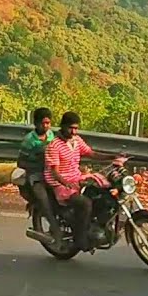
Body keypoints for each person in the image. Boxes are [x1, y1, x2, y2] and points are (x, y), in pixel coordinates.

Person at [44, 111, 96, 251]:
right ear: (63, 126)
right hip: (60, 184)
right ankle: (80, 238)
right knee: (85, 203)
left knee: (99, 191)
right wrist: (66, 183)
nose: (73, 131)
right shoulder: (54, 145)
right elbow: (54, 172)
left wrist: (112, 157)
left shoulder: (77, 140)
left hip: (76, 178)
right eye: (70, 128)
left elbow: (91, 153)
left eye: (76, 128)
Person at [17, 107, 60, 238]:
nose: (46, 126)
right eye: (43, 123)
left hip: (51, 172)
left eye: (48, 123)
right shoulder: (29, 140)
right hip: (35, 175)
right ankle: (54, 227)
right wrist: (38, 161)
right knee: (43, 198)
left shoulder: (51, 135)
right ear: (36, 123)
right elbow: (21, 163)